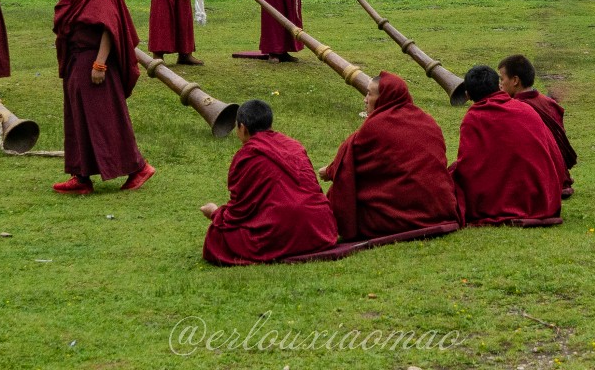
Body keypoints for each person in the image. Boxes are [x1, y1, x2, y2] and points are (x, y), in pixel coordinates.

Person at [51, 0, 153, 194]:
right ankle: (81, 176)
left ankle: (138, 168)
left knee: (104, 118)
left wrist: (99, 64)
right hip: (78, 59)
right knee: (78, 117)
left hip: (94, 60)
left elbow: (110, 27)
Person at [319, 71, 459, 241]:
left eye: (370, 94)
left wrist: (330, 171)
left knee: (345, 196)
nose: (365, 99)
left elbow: (348, 165)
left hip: (399, 218)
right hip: (440, 210)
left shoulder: (374, 127)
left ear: (385, 97)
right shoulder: (428, 121)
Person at [202, 100, 339, 265]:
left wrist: (216, 213)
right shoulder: (294, 146)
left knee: (215, 238)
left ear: (242, 128)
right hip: (320, 229)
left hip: (284, 230)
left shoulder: (246, 156)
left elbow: (239, 211)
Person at [448, 64, 565, 225]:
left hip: (502, 200)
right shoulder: (525, 109)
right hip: (543, 198)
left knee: (454, 173)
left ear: (468, 94)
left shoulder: (473, 118)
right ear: (498, 86)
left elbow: (469, 167)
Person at [499, 54, 577, 199]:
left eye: (502, 79)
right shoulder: (548, 102)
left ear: (515, 80)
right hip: (560, 175)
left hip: (542, 179)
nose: (500, 85)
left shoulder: (518, 108)